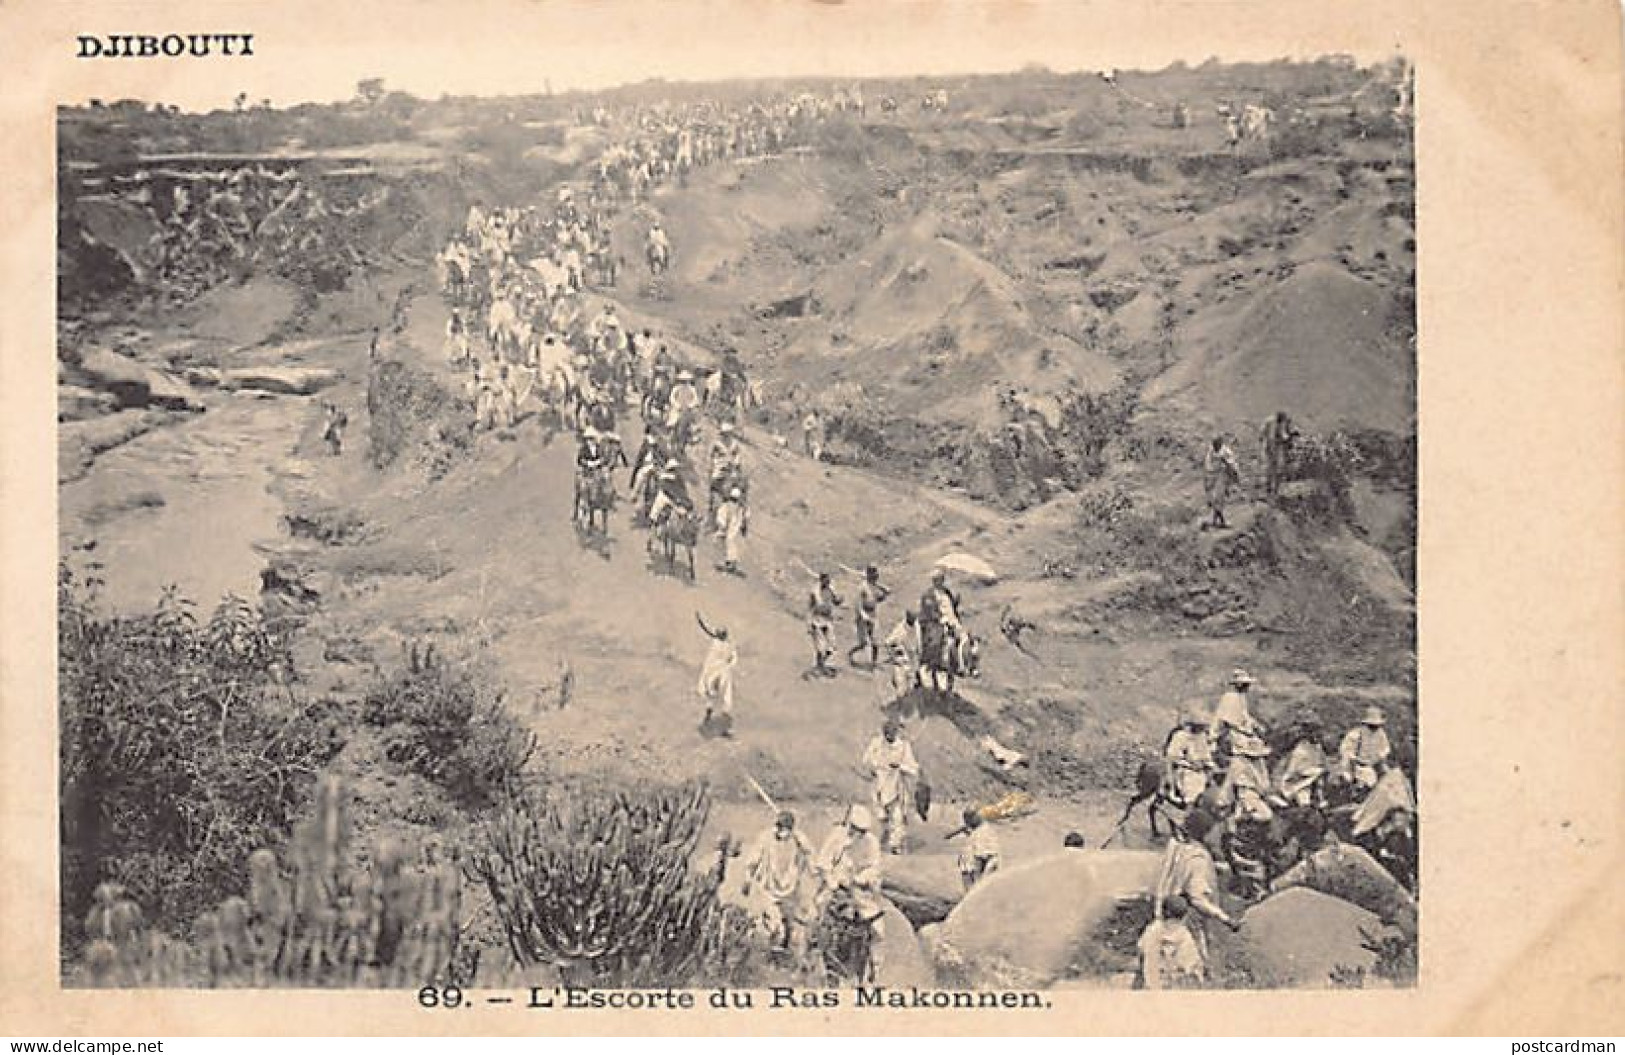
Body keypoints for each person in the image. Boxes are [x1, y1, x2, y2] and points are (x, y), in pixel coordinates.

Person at [1152, 808, 1242, 983]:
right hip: (1189, 920)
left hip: (1167, 912)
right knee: (1194, 967)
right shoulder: (1198, 859)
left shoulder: (1177, 847)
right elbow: (1197, 899)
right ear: (1205, 833)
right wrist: (1225, 918)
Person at [816, 804, 886, 975]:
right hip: (836, 888)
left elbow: (875, 867)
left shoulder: (871, 842)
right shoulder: (836, 837)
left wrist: (863, 877)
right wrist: (832, 881)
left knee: (878, 928)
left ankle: (875, 969)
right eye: (853, 828)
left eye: (860, 831)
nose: (856, 833)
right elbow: (823, 863)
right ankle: (816, 955)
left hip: (860, 891)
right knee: (818, 912)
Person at [740, 811, 814, 958]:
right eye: (779, 828)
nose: (781, 832)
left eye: (785, 829)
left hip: (790, 889)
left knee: (789, 924)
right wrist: (748, 879)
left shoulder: (798, 839)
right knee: (774, 923)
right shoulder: (765, 838)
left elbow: (810, 854)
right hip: (769, 888)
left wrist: (800, 839)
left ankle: (782, 954)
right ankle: (770, 954)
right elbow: (753, 860)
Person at [862, 717, 920, 855]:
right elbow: (866, 760)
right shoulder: (876, 743)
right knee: (880, 816)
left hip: (896, 785)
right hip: (878, 784)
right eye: (886, 733)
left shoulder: (903, 746)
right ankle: (880, 842)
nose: (888, 736)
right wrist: (875, 765)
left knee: (897, 816)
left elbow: (913, 767)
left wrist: (899, 766)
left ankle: (895, 845)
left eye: (891, 733)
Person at [1137, 895, 1205, 990]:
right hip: (1176, 987)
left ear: (1162, 912)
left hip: (1151, 985)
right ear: (1184, 916)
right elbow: (1190, 964)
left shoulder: (1151, 930)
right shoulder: (1184, 934)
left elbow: (1141, 952)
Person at [1162, 706, 1215, 812]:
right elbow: (1172, 757)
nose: (1201, 729)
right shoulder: (1181, 736)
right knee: (1192, 790)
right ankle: (1188, 816)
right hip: (1185, 771)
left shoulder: (1202, 737)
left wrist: (1207, 764)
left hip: (1201, 771)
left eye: (1203, 727)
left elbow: (1206, 755)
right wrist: (1189, 763)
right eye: (1199, 726)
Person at [694, 613, 737, 736]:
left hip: (719, 670)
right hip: (718, 670)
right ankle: (713, 717)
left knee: (718, 694)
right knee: (717, 694)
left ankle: (717, 718)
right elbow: (733, 659)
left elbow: (732, 658)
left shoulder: (722, 645)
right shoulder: (721, 644)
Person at [1210, 668, 1262, 762]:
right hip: (1229, 733)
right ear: (1239, 685)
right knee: (1244, 747)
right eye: (1246, 685)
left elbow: (1244, 715)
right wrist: (1244, 730)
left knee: (1257, 744)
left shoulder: (1241, 698)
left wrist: (1255, 724)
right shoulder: (1229, 697)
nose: (1248, 687)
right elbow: (1228, 721)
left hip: (1241, 731)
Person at [1338, 707, 1392, 792]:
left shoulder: (1381, 734)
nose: (1374, 728)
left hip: (1371, 766)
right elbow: (1346, 753)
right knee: (1352, 781)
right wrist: (1352, 767)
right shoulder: (1356, 734)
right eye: (1372, 726)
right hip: (1356, 766)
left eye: (1377, 726)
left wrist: (1380, 761)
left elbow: (1385, 749)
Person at [847, 565, 891, 669]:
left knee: (875, 641)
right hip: (863, 616)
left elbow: (879, 598)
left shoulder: (875, 586)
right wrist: (863, 615)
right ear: (869, 575)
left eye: (877, 574)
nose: (876, 576)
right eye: (874, 574)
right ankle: (850, 654)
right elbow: (858, 604)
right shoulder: (863, 587)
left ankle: (874, 663)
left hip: (873, 615)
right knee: (863, 643)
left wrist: (883, 590)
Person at [1202, 435, 1242, 529]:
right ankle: (1217, 521)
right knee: (1214, 500)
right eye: (1214, 445)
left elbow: (1232, 466)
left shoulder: (1226, 452)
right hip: (1212, 477)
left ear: (1221, 444)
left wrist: (1235, 477)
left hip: (1222, 476)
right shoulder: (1210, 452)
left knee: (1218, 499)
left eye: (1217, 445)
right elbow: (1207, 466)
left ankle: (1219, 521)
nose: (1215, 447)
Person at [882, 610, 922, 703]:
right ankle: (899, 709)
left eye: (915, 618)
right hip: (901, 663)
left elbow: (918, 643)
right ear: (907, 618)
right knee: (901, 691)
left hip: (912, 662)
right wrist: (893, 656)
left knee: (910, 689)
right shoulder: (900, 630)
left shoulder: (917, 626)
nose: (914, 620)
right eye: (912, 619)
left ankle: (905, 708)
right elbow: (887, 643)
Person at [956, 808, 1000, 890]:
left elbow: (988, 857)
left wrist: (984, 876)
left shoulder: (984, 831)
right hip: (967, 868)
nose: (966, 822)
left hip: (976, 871)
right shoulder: (974, 831)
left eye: (968, 819)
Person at [1259, 411, 1297, 502]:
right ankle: (1268, 490)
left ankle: (1275, 490)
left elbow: (1284, 436)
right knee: (1269, 469)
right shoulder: (1270, 422)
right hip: (1270, 448)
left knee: (1278, 470)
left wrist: (1290, 436)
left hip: (1278, 448)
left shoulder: (1283, 423)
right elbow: (1263, 434)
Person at [713, 486, 747, 575]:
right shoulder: (726, 506)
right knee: (722, 541)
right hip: (727, 528)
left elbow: (742, 519)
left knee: (731, 541)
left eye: (735, 500)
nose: (734, 502)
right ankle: (727, 560)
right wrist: (722, 525)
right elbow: (721, 516)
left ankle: (731, 561)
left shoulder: (740, 509)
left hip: (734, 529)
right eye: (733, 499)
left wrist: (741, 525)